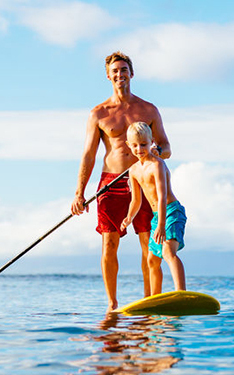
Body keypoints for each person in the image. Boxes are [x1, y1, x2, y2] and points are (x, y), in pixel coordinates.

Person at [71, 51, 171, 313]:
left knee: (149, 241)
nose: (120, 74)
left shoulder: (149, 110)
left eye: (124, 69)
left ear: (131, 73)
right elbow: (89, 154)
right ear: (108, 76)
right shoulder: (99, 113)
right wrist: (79, 192)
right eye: (115, 71)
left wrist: (154, 154)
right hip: (110, 183)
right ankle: (112, 304)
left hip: (144, 179)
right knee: (109, 243)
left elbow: (166, 146)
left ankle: (150, 300)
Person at [121, 122, 186, 295]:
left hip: (171, 212)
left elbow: (162, 195)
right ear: (128, 145)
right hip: (157, 216)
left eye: (143, 144)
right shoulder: (133, 170)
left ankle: (181, 293)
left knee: (167, 252)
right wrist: (129, 218)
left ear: (152, 142)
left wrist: (161, 224)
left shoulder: (157, 165)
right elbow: (136, 200)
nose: (139, 148)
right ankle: (155, 298)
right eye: (135, 145)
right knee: (151, 260)